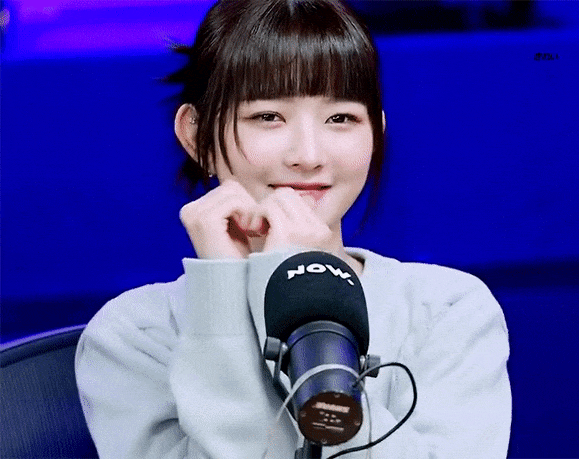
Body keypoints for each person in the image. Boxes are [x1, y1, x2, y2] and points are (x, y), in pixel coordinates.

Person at [75, 0, 511, 457]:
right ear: (196, 135)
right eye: (268, 117)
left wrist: (306, 296)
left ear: (376, 134)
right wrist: (222, 303)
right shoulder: (138, 334)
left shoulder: (445, 310)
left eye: (341, 118)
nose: (308, 155)